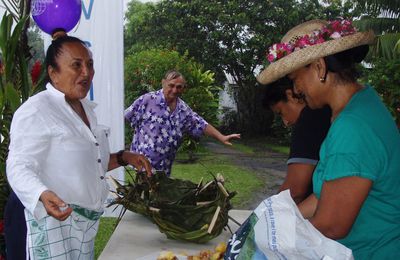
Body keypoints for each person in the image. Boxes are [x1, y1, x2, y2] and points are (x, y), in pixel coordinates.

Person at [257, 19, 400, 259]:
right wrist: (281, 220)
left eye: (295, 79)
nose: (297, 89)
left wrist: (277, 243)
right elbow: (325, 195)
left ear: (319, 68)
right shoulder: (363, 103)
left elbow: (332, 224)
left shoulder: (353, 128)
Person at [5, 33, 152, 259]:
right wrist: (41, 192)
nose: (87, 72)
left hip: (79, 225)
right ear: (53, 73)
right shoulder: (36, 110)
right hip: (45, 222)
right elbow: (18, 165)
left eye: (90, 64)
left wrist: (123, 157)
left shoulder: (85, 109)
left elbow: (89, 164)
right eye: (77, 65)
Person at [125, 70, 241, 176]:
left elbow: (200, 124)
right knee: (143, 196)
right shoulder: (147, 100)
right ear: (163, 83)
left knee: (160, 196)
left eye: (179, 87)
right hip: (142, 165)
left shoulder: (183, 109)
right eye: (171, 85)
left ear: (183, 88)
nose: (175, 90)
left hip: (164, 169)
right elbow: (125, 117)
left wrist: (221, 137)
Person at [262, 78, 331, 204]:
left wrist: (266, 214)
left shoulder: (308, 119)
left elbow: (294, 191)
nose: (286, 122)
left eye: (281, 112)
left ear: (290, 95)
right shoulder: (329, 111)